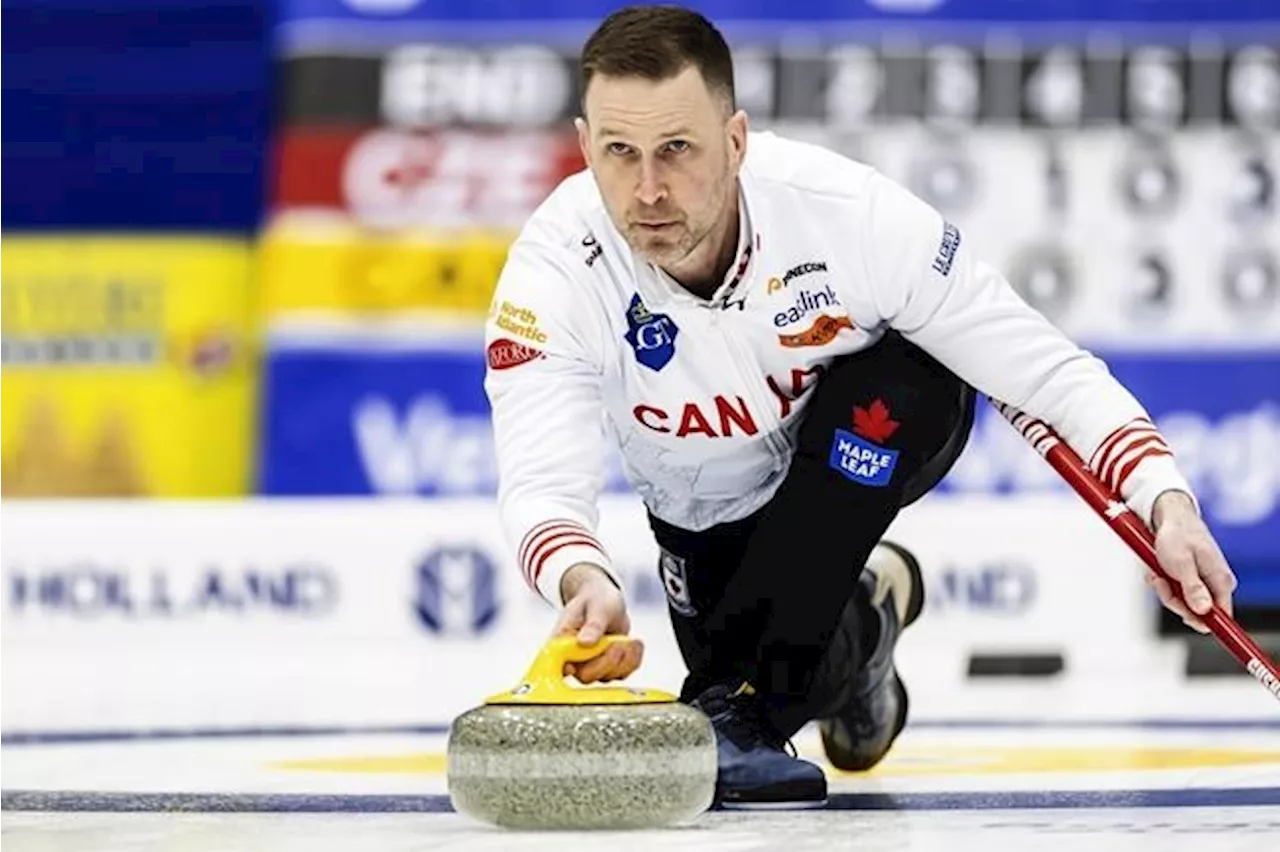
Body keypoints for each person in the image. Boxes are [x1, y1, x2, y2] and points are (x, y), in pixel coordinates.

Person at [482, 5, 1238, 808]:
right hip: (703, 506)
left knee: (740, 703)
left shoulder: (850, 216)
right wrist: (579, 576)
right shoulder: (554, 270)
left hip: (864, 435)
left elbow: (1041, 370)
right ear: (584, 146)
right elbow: (542, 478)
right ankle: (868, 619)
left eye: (677, 149)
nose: (649, 189)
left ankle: (754, 695)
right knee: (768, 667)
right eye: (619, 154)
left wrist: (1166, 500)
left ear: (735, 141)